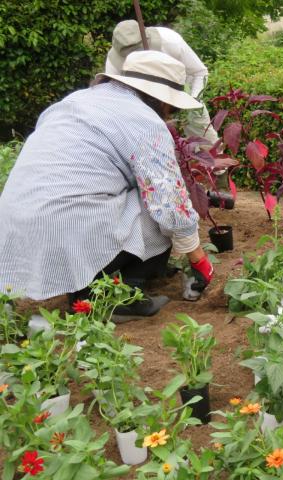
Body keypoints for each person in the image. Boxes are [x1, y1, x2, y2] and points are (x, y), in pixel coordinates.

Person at [0, 50, 215, 319]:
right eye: (170, 107)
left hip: (14, 225)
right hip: (68, 228)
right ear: (159, 99)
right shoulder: (145, 121)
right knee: (157, 202)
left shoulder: (74, 101)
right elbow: (170, 203)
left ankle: (82, 292)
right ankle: (123, 296)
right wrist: (198, 258)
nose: (169, 114)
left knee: (107, 196)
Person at [105, 19, 218, 144]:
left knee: (206, 144)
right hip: (144, 109)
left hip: (184, 93)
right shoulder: (113, 64)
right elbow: (116, 96)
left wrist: (193, 101)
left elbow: (199, 72)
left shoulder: (171, 41)